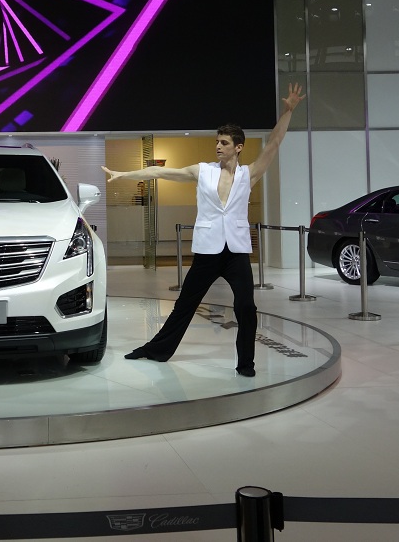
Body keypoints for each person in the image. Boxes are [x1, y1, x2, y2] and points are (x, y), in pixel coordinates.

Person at [102, 83, 306, 378]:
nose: (218, 146)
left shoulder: (249, 174)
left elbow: (273, 143)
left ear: (238, 147)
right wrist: (123, 174)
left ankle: (246, 364)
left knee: (246, 307)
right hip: (208, 251)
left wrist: (288, 111)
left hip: (236, 253)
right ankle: (156, 350)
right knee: (185, 305)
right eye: (217, 142)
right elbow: (160, 172)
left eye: (224, 142)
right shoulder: (203, 171)